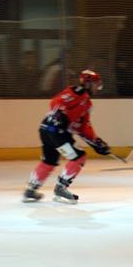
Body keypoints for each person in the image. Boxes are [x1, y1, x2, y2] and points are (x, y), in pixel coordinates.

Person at [23, 70, 111, 204]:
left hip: (47, 130)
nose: (97, 87)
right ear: (87, 83)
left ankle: (31, 189)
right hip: (55, 131)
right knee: (79, 157)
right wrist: (60, 114)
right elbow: (55, 102)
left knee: (50, 160)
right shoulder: (75, 92)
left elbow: (82, 126)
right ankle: (61, 187)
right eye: (94, 84)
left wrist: (96, 142)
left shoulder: (87, 104)